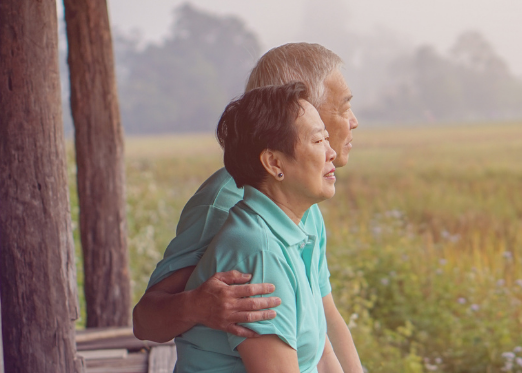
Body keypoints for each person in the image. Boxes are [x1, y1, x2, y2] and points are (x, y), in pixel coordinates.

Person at [133, 44, 361, 372]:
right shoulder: (229, 212)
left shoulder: (300, 207)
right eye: (342, 107)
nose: (353, 121)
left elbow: (323, 324)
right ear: (298, 106)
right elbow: (145, 321)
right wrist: (196, 306)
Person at [175, 82, 338, 372]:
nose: (331, 152)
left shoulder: (289, 229)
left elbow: (319, 357)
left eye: (326, 138)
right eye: (317, 141)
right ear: (274, 162)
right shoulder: (257, 252)